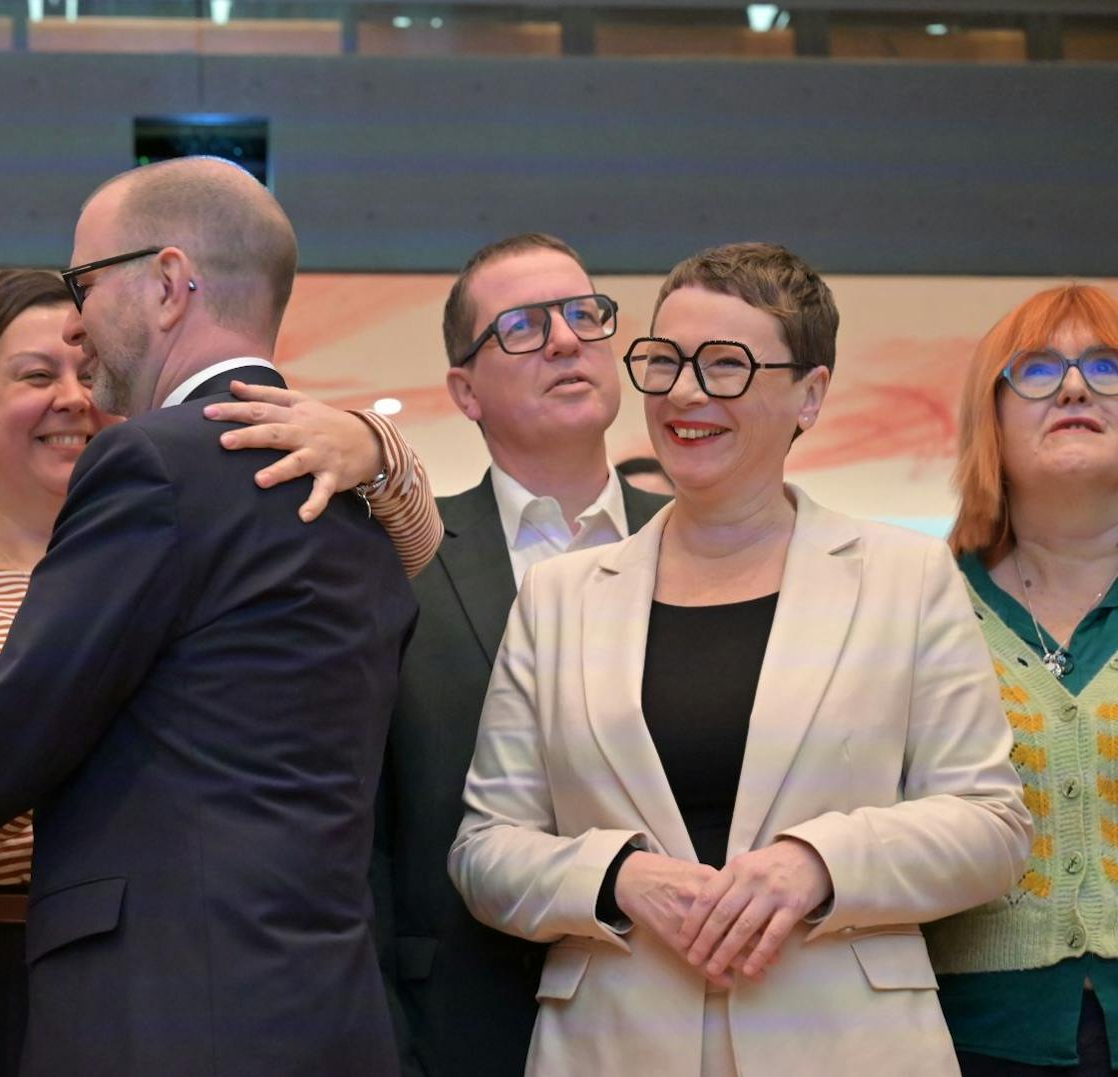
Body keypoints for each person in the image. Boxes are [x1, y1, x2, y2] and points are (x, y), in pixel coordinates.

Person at [0, 254, 437, 1073]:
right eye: (36, 374)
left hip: (160, 968)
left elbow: (411, 555)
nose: (73, 396)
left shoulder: (196, 546)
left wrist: (376, 442)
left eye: (87, 368)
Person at [448, 241, 1032, 1075]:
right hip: (614, 1043)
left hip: (847, 1043)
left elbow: (991, 825)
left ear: (811, 393)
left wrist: (819, 863)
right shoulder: (560, 597)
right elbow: (486, 848)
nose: (686, 392)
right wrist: (617, 876)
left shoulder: (903, 575)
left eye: (726, 364)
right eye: (665, 361)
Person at [370, 232, 669, 1077]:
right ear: (465, 388)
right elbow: (365, 838)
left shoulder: (712, 546)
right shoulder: (400, 561)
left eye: (584, 314)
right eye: (525, 327)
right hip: (462, 1018)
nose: (568, 339)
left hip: (685, 1004)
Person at [925, 283, 1118, 1076]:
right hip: (966, 1039)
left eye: (1108, 366)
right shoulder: (921, 606)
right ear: (989, 420)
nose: (1075, 385)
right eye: (1036, 370)